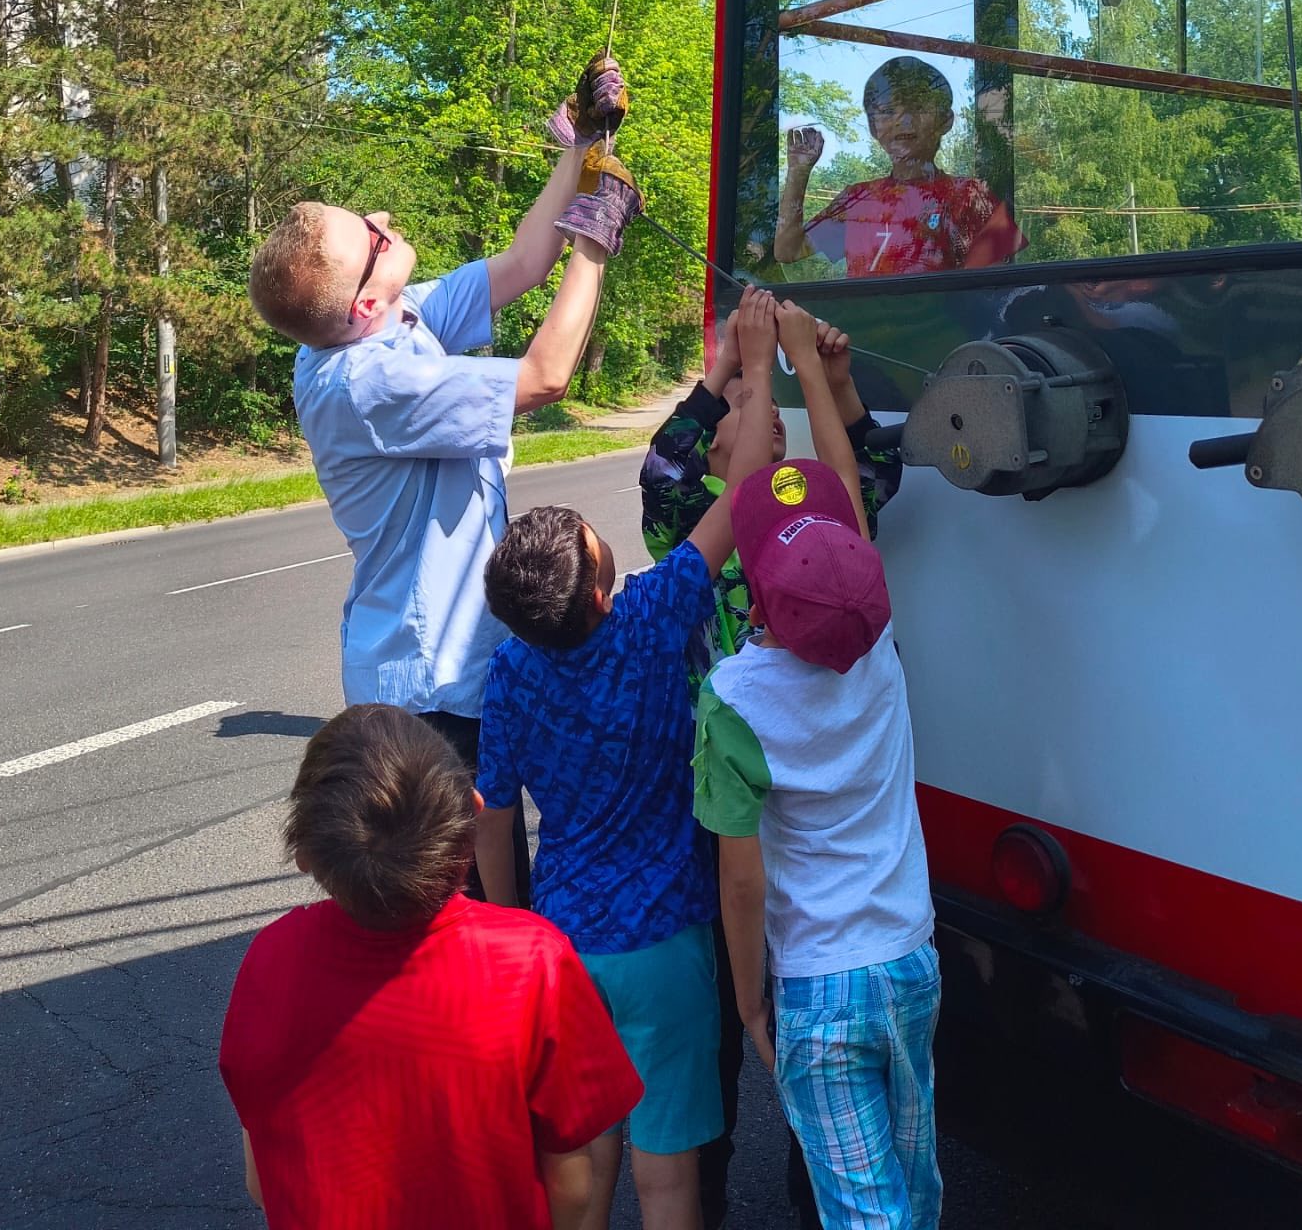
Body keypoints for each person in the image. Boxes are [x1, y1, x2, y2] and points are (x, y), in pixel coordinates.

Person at [246, 54, 639, 893]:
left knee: (486, 893)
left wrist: (584, 143)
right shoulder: (367, 381)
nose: (385, 220)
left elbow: (524, 262)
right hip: (430, 690)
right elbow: (545, 377)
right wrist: (598, 241)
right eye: (374, 237)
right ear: (362, 303)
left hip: (445, 669)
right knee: (471, 910)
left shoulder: (388, 319)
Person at [471, 289, 779, 1230]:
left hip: (565, 943)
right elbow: (745, 491)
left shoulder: (513, 670)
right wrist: (758, 368)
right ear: (603, 589)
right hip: (665, 942)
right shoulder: (652, 619)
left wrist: (516, 925)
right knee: (669, 1177)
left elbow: (490, 811)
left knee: (580, 1165)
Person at [639, 311, 902, 1230]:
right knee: (718, 1043)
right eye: (742, 418)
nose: (768, 422)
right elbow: (666, 472)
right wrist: (742, 370)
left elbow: (865, 479)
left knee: (809, 1067)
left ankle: (814, 1195)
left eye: (774, 413)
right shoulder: (689, 531)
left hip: (792, 860)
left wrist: (829, 382)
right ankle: (703, 1197)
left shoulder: (811, 526)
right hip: (731, 840)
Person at [694, 297, 941, 1230]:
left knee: (864, 1213)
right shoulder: (874, 642)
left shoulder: (736, 700)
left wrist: (750, 1003)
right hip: (910, 958)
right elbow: (844, 491)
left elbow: (743, 879)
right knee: (914, 1190)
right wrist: (802, 362)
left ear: (747, 586)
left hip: (820, 984)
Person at [219, 704, 642, 1230]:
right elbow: (573, 1185)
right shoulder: (532, 962)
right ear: (472, 819)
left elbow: (262, 1186)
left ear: (304, 852)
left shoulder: (271, 962)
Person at [774, 56, 1024, 278]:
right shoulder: (857, 199)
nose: (903, 121)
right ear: (873, 128)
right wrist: (798, 172)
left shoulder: (969, 196)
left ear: (946, 121)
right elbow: (788, 250)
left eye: (917, 108)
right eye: (888, 111)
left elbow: (994, 288)